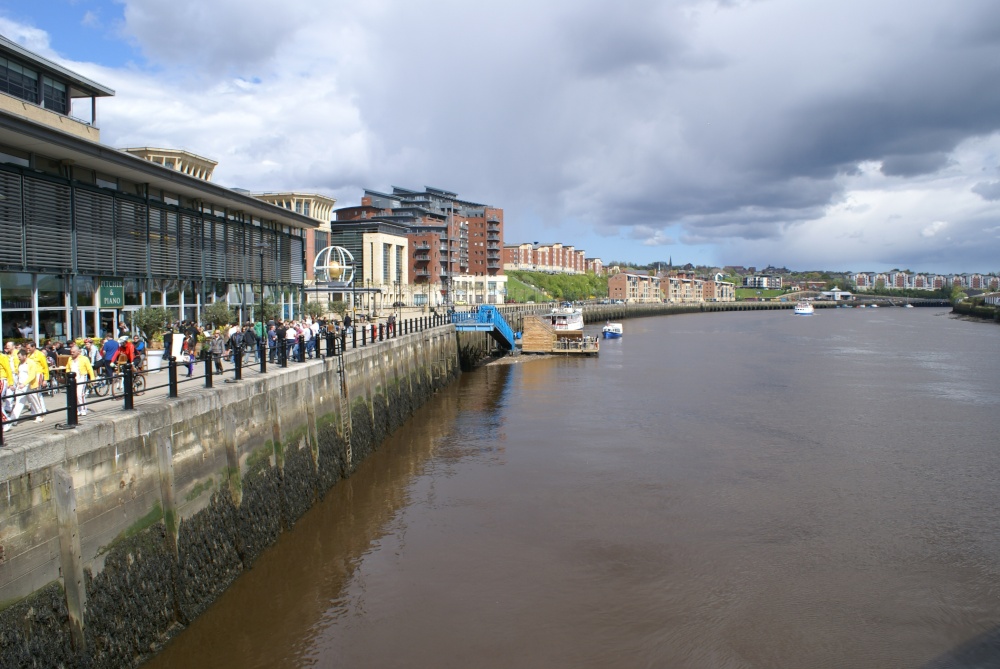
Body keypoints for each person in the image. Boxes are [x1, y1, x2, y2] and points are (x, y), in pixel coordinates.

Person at [67, 343, 95, 416]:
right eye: (71, 352)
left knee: (80, 394)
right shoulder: (70, 359)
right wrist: (67, 375)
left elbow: (89, 369)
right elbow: (67, 368)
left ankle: (83, 409)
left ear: (78, 352)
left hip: (81, 376)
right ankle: (77, 409)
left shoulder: (84, 358)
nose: (72, 353)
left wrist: (92, 378)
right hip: (73, 378)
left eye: (73, 352)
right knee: (74, 394)